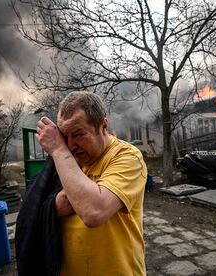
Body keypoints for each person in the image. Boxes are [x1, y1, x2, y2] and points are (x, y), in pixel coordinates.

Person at [36, 91, 147, 275]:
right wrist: (55, 205)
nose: (70, 145)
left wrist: (57, 149)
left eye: (78, 134)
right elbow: (36, 205)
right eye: (64, 136)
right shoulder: (67, 159)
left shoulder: (127, 157)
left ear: (103, 126)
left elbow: (94, 212)